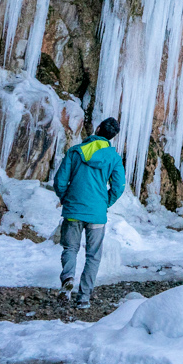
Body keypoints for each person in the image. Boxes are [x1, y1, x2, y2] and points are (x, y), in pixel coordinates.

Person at [53, 117, 125, 308]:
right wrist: (104, 203)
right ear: (112, 136)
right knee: (93, 255)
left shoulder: (75, 152)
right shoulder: (114, 158)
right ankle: (83, 299)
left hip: (73, 210)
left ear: (98, 128)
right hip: (97, 214)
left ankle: (68, 278)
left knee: (70, 248)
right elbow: (118, 187)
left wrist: (65, 198)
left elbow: (60, 181)